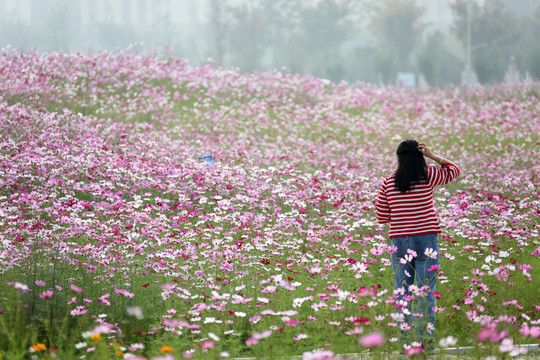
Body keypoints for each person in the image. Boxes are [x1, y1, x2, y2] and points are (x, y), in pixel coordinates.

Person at [375, 139, 460, 348]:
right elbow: (453, 170)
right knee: (426, 291)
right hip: (426, 239)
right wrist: (433, 156)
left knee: (402, 292)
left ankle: (406, 344)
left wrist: (402, 214)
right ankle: (426, 343)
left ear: (399, 158)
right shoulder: (429, 176)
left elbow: (381, 216)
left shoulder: (389, 182)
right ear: (419, 156)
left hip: (399, 241)